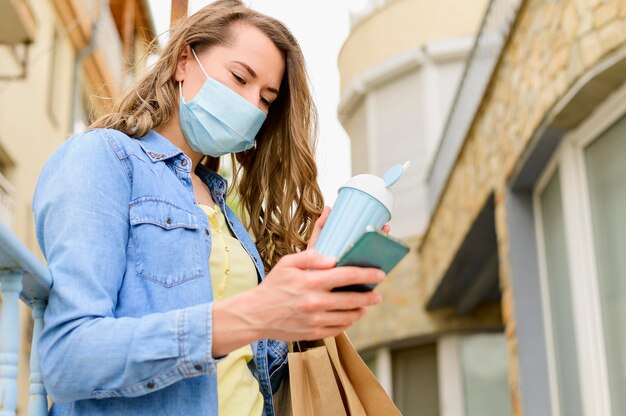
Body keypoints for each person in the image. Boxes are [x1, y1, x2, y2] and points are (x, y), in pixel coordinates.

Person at [31, 1, 387, 415]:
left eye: (267, 99)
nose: (252, 106)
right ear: (184, 60)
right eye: (240, 78)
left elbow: (246, 374)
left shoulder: (228, 215)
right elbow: (69, 357)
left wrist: (313, 294)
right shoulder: (103, 157)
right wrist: (250, 314)